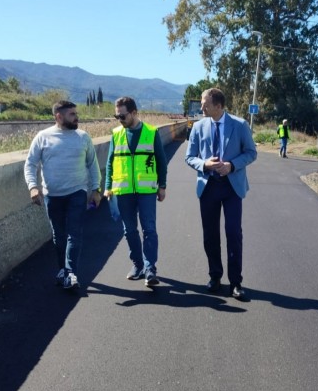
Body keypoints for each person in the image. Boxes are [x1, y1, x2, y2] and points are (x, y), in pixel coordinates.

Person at [185, 88, 258, 299]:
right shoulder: (198, 127)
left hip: (232, 187)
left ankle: (236, 282)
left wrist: (232, 165)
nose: (201, 107)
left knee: (233, 233)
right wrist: (205, 164)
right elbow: (189, 157)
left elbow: (251, 153)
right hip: (208, 187)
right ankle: (215, 276)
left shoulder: (240, 125)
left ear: (218, 106)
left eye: (205, 104)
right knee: (210, 235)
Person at [24, 100, 102, 289]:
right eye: (72, 114)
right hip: (52, 195)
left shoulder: (83, 137)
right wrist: (33, 187)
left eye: (76, 113)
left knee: (74, 235)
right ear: (58, 116)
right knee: (58, 235)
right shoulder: (43, 137)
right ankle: (63, 270)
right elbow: (30, 164)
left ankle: (70, 274)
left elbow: (93, 164)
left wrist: (96, 189)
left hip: (77, 192)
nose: (77, 117)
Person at [105, 96, 168, 287]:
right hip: (123, 190)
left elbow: (161, 160)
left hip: (146, 189)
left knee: (149, 229)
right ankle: (138, 265)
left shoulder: (151, 132)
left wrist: (162, 186)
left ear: (134, 113)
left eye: (122, 116)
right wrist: (108, 187)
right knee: (129, 230)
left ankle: (150, 269)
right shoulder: (116, 134)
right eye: (117, 117)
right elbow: (110, 162)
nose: (119, 120)